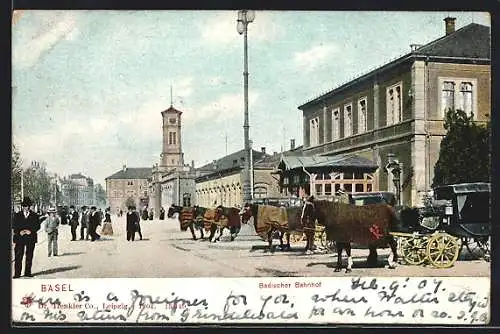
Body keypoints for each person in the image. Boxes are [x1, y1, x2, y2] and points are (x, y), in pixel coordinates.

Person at [12, 197, 42, 278]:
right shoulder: (17, 215)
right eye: (25, 206)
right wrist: (19, 231)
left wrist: (31, 231)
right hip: (19, 238)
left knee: (29, 256)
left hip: (30, 238)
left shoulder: (35, 215)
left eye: (28, 206)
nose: (27, 207)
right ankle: (17, 274)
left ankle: (27, 273)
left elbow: (38, 226)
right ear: (23, 206)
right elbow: (14, 225)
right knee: (18, 256)